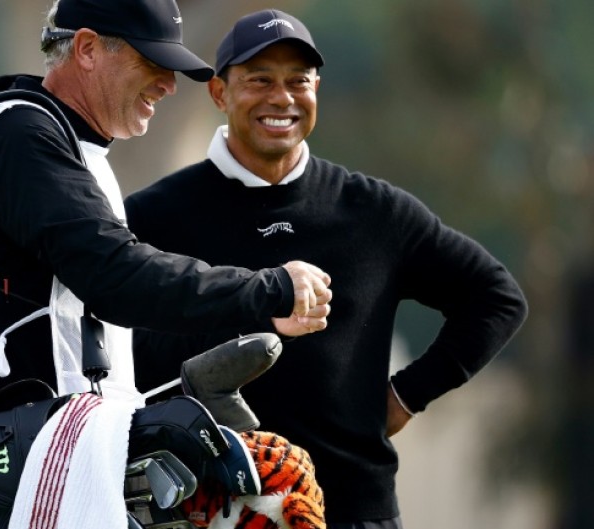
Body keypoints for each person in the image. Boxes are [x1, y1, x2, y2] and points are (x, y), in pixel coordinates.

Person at [124, 8, 529, 529]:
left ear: (316, 89)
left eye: (298, 81)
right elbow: (116, 349)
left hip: (354, 510)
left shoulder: (374, 211)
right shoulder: (153, 215)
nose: (281, 98)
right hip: (204, 510)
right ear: (220, 93)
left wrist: (407, 395)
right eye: (259, 80)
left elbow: (496, 298)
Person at [0, 0, 333, 429]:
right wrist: (267, 290)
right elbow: (117, 278)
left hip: (14, 441)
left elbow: (113, 315)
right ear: (88, 49)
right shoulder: (21, 137)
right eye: (153, 62)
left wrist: (249, 317)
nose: (169, 85)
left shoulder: (55, 139)